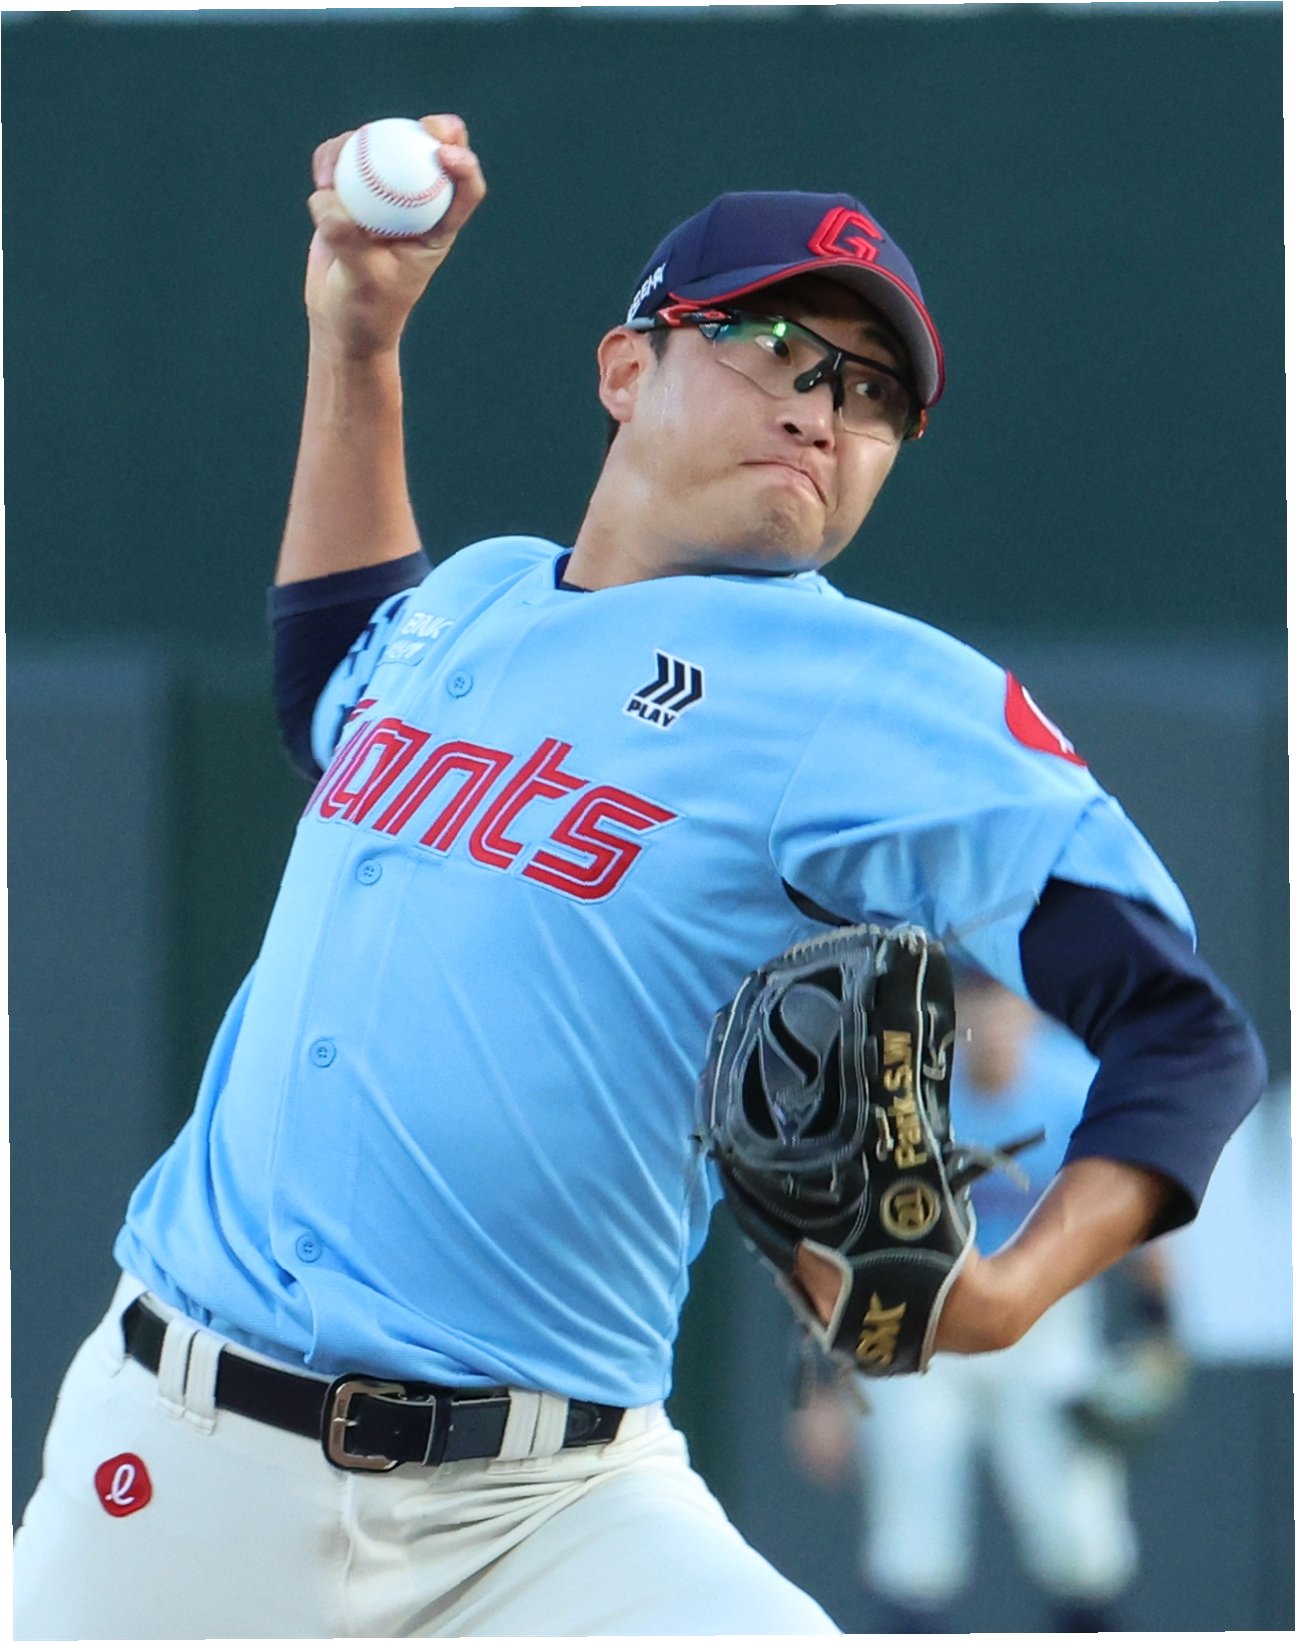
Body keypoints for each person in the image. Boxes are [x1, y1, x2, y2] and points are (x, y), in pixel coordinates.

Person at [13, 113, 1265, 1640]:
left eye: (872, 392)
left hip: (550, 1515)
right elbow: (330, 682)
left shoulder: (872, 694)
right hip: (176, 1461)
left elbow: (1183, 1033)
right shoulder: (477, 595)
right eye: (776, 344)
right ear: (627, 368)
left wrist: (1010, 1289)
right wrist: (358, 340)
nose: (821, 405)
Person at [790, 972, 1188, 1633]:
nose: (992, 1018)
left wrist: (1160, 1328)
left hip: (1043, 1318)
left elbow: (1143, 1208)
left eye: (1004, 998)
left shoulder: (1075, 1087)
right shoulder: (903, 1094)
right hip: (920, 1324)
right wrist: (822, 1385)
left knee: (1080, 1538)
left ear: (1035, 1011)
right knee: (911, 1549)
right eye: (973, 999)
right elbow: (835, 1237)